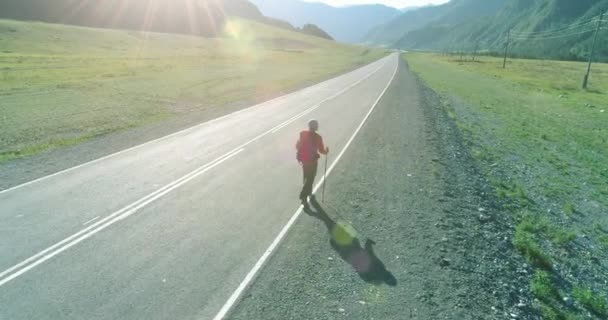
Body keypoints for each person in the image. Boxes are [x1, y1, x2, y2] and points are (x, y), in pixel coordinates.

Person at [296, 119, 329, 208]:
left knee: (306, 176)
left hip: (303, 160)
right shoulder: (318, 137)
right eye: (317, 125)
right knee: (311, 178)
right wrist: (326, 152)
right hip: (312, 161)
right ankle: (303, 196)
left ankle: (309, 192)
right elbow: (321, 150)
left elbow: (297, 145)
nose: (318, 126)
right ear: (314, 126)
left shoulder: (302, 133)